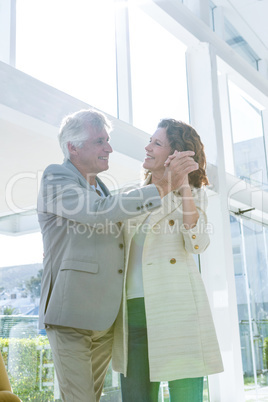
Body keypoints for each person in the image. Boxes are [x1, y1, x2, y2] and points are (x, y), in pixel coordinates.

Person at [37, 109, 197, 402]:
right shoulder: (56, 176)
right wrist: (164, 184)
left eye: (107, 140)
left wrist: (179, 187)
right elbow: (98, 214)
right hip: (71, 316)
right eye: (100, 141)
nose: (109, 148)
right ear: (73, 147)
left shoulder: (103, 189)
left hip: (105, 321)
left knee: (86, 397)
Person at [112, 119, 224, 402]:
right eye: (150, 141)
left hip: (177, 308)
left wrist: (183, 184)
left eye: (156, 143)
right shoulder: (133, 195)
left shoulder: (194, 195)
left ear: (174, 155)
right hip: (132, 313)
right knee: (136, 396)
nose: (148, 147)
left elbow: (197, 243)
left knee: (186, 396)